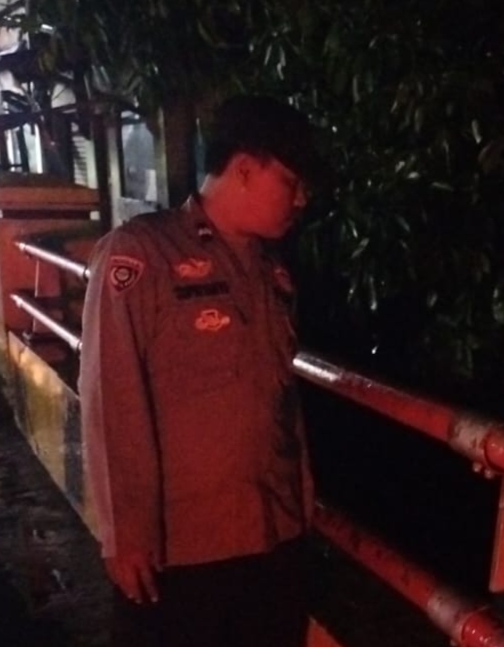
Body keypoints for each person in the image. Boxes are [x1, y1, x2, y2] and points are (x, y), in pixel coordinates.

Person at [79, 95, 324, 647]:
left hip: (272, 538)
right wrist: (126, 533)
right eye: (290, 182)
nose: (301, 199)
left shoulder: (272, 274)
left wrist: (301, 508)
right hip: (181, 550)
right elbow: (111, 398)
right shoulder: (142, 255)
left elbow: (282, 406)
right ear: (245, 168)